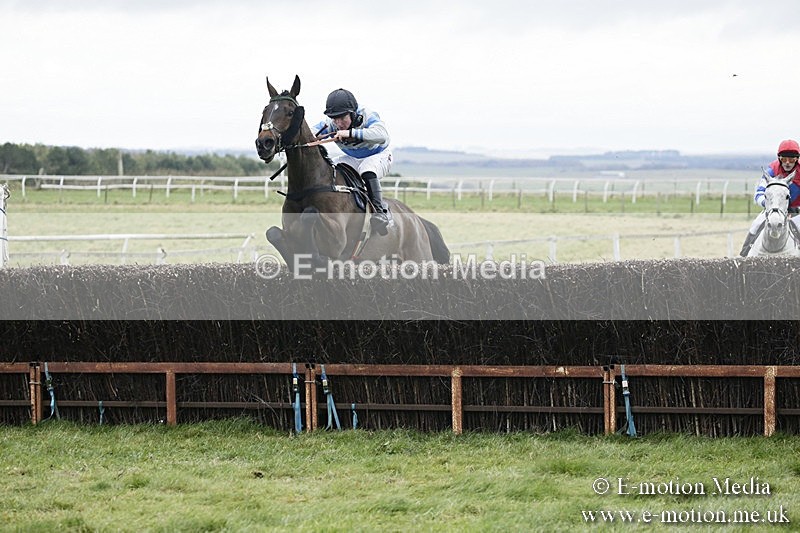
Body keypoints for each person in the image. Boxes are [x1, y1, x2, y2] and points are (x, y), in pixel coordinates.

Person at [310, 88, 393, 235]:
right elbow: (310, 133)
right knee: (330, 169)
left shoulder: (367, 115)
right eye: (335, 119)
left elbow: (383, 135)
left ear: (353, 113)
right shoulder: (330, 124)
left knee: (367, 169)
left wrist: (350, 133)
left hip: (379, 155)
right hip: (353, 158)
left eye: (342, 118)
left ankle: (380, 212)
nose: (339, 123)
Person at [739, 139, 800, 256]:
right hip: (773, 210)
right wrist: (768, 205)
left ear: (797, 159)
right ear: (779, 158)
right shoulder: (772, 170)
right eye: (783, 159)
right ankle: (743, 256)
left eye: (791, 159)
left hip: (797, 211)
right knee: (756, 225)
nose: (787, 162)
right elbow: (758, 194)